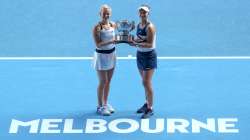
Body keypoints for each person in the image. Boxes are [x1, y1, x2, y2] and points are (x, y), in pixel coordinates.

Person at [130, 4, 157, 118]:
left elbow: (150, 44)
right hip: (140, 55)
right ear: (139, 13)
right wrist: (131, 40)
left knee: (146, 82)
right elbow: (140, 39)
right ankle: (147, 104)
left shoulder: (150, 27)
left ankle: (150, 108)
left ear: (148, 13)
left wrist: (136, 44)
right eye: (141, 12)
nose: (142, 14)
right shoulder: (138, 25)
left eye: (144, 12)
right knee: (144, 82)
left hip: (149, 56)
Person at [92, 4, 116, 116]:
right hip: (101, 57)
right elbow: (98, 44)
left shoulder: (113, 25)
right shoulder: (97, 27)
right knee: (103, 82)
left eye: (108, 13)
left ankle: (105, 103)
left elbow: (116, 39)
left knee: (109, 81)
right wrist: (112, 41)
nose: (106, 15)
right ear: (100, 14)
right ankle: (99, 106)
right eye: (104, 13)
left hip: (112, 55)